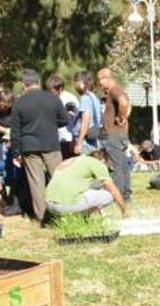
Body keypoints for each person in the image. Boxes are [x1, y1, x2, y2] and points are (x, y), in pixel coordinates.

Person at [9, 69, 67, 224]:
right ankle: (63, 213)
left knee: (36, 183)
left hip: (30, 147)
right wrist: (51, 124)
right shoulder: (52, 98)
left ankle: (41, 217)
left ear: (23, 84)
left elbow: (15, 132)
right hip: (51, 144)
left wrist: (16, 152)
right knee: (58, 179)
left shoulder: (19, 102)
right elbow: (65, 120)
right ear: (38, 82)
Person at [45, 150, 128, 216]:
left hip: (49, 204)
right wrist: (124, 209)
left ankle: (76, 217)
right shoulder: (98, 163)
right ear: (103, 160)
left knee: (90, 191)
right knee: (109, 195)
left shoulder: (75, 159)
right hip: (65, 207)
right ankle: (81, 217)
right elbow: (113, 190)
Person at [96, 67, 131, 201]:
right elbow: (128, 105)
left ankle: (120, 196)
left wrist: (121, 117)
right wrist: (124, 116)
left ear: (107, 78)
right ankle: (126, 194)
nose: (99, 84)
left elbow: (123, 102)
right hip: (120, 134)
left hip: (113, 135)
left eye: (100, 80)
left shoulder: (115, 90)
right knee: (123, 167)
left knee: (117, 167)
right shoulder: (119, 90)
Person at [46, 74, 78, 158]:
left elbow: (70, 119)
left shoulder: (69, 99)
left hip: (67, 138)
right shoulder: (51, 99)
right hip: (55, 139)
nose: (50, 93)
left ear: (60, 88)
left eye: (52, 91)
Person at [72, 71, 101, 155]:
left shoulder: (85, 98)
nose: (75, 86)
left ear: (82, 83)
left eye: (75, 82)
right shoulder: (94, 97)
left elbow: (86, 120)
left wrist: (79, 143)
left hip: (86, 141)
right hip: (95, 137)